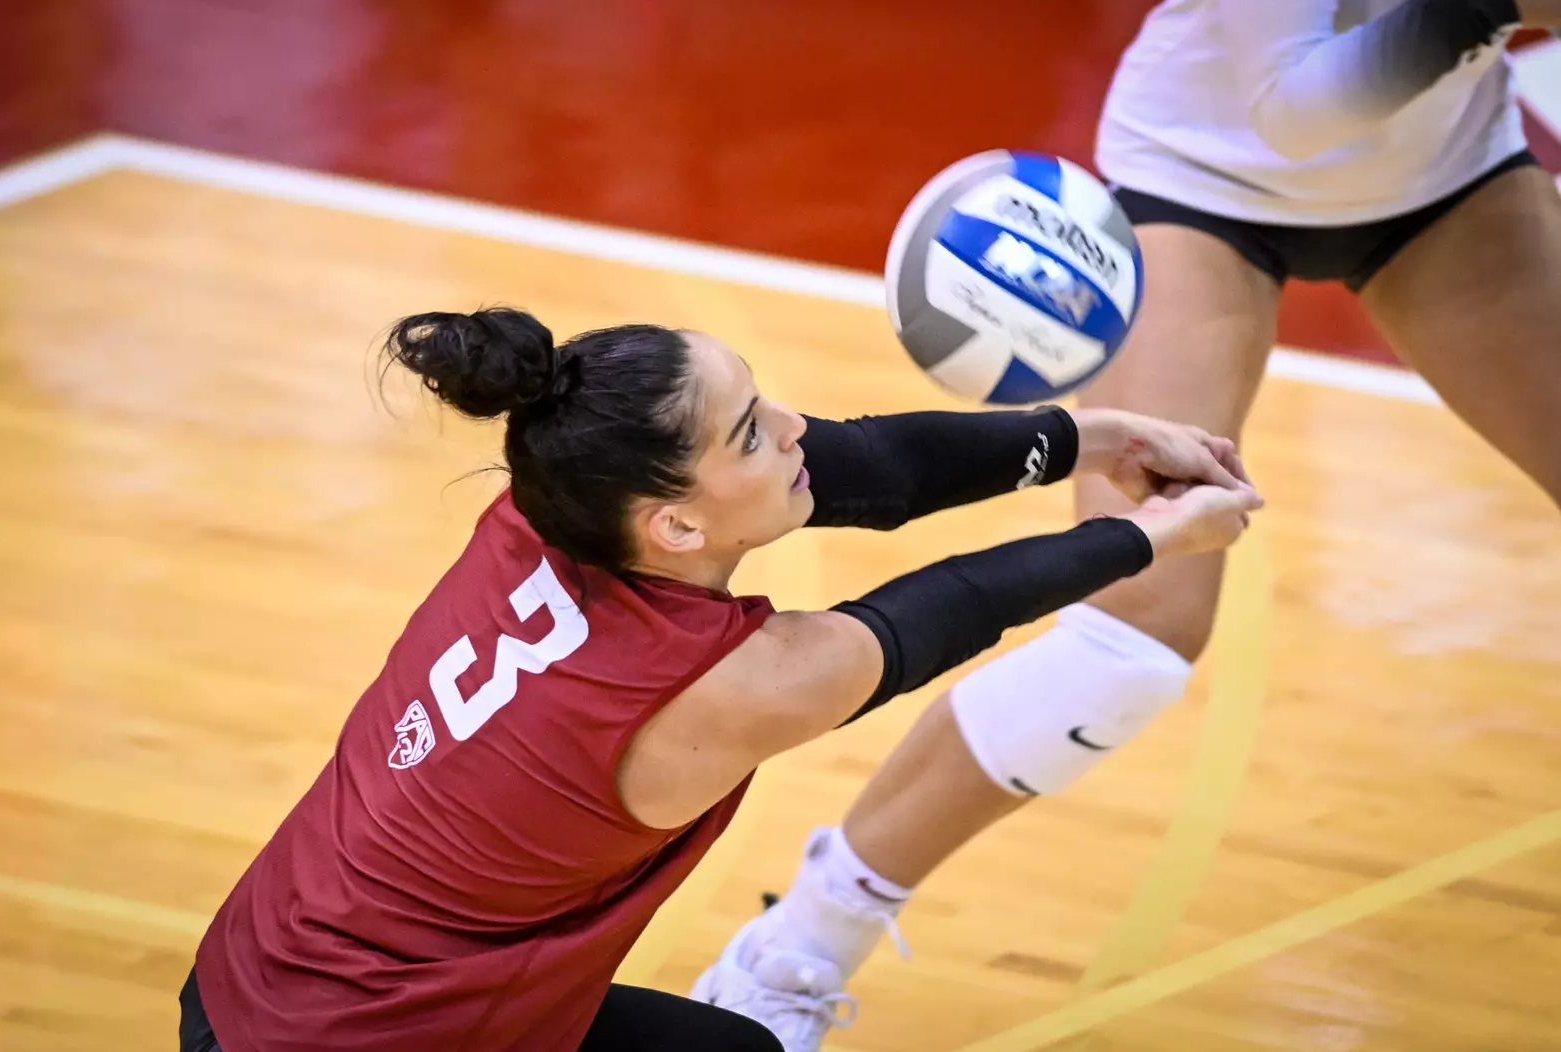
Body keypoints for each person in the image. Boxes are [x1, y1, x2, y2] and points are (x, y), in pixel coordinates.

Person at [692, 0, 1561, 1048]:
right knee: (1135, 629)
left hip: (1447, 176)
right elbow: (1293, 110)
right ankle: (797, 948)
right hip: (1208, 179)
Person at [178, 306, 1260, 1052]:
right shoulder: (714, 692)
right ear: (680, 522)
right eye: (753, 431)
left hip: (276, 967)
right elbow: (954, 605)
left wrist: (1094, 436)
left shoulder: (555, 497)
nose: (794, 427)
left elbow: (874, 467)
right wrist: (1153, 536)